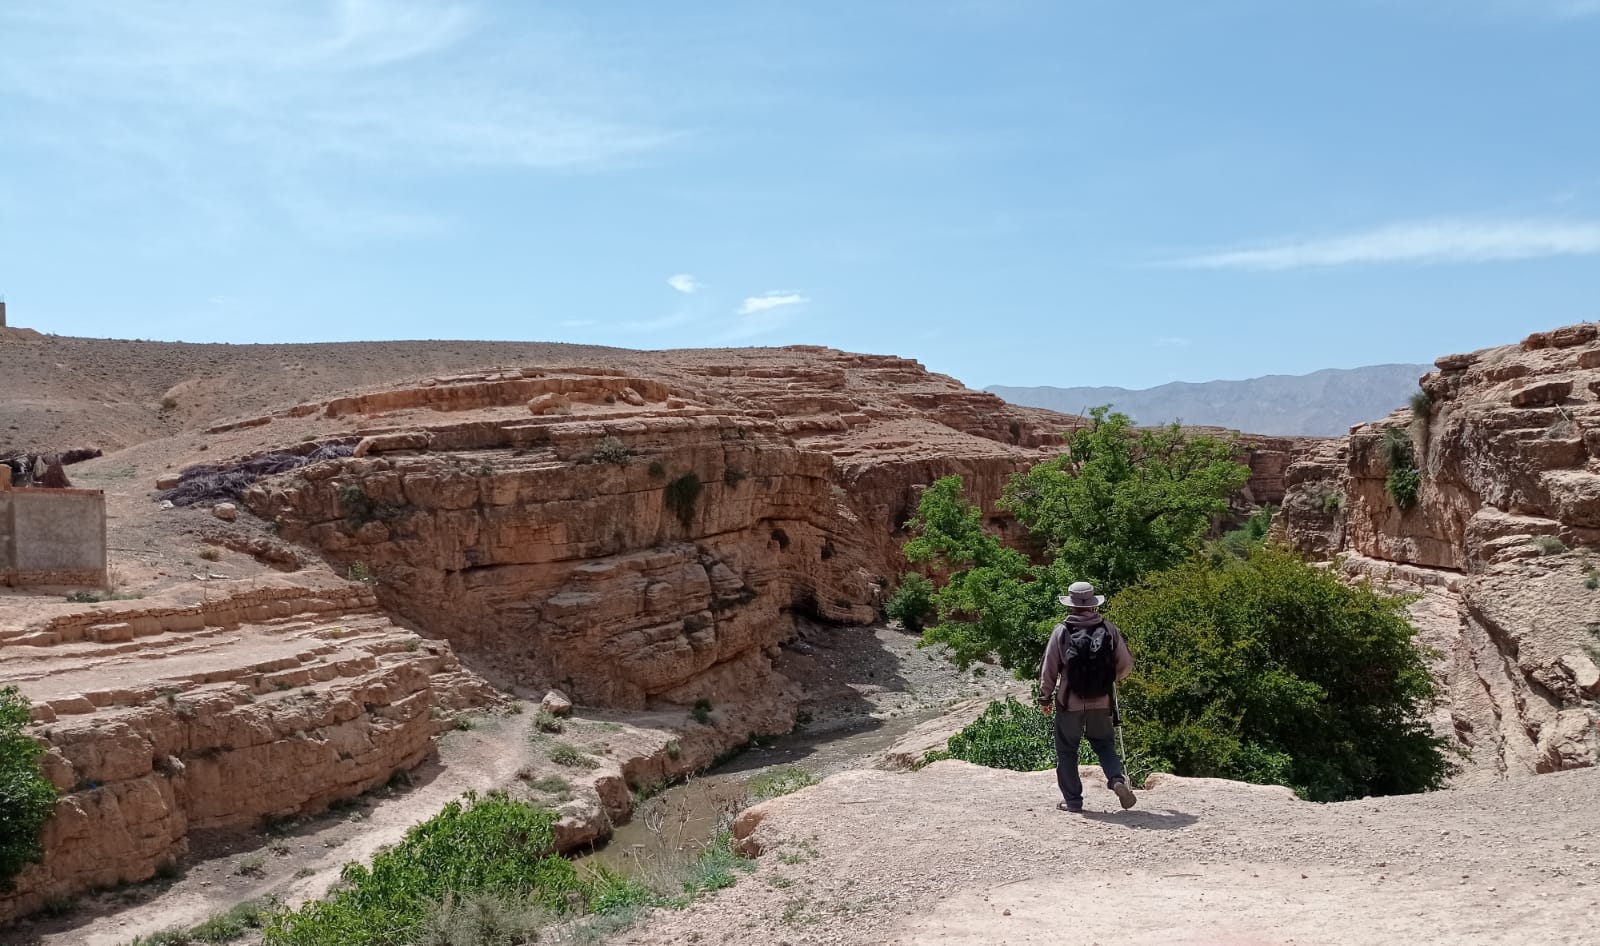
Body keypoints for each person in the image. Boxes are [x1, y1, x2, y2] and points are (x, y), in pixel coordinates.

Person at [1040, 580, 1136, 812]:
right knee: (1104, 745)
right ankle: (1116, 780)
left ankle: (1073, 801)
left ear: (1071, 604)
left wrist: (1045, 698)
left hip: (1069, 702)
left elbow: (1049, 668)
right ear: (1093, 603)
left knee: (1067, 751)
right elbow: (1125, 666)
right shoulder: (1109, 629)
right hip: (1102, 700)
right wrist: (1106, 681)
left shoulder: (1062, 630)